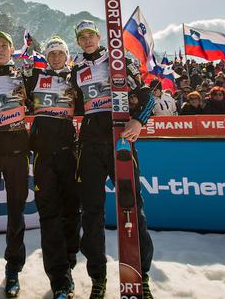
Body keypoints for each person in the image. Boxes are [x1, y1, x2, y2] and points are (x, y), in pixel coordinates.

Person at [70, 20, 155, 299]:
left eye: (90, 35)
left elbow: (147, 96)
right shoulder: (76, 70)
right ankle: (98, 278)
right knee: (91, 213)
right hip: (90, 145)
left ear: (98, 37)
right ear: (79, 42)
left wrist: (138, 121)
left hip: (119, 141)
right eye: (81, 37)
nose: (87, 40)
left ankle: (140, 278)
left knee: (132, 208)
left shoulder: (118, 60)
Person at [24, 36, 80, 299]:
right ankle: (59, 278)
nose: (56, 57)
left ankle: (68, 262)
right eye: (52, 53)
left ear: (67, 55)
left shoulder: (77, 77)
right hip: (44, 156)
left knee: (71, 212)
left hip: (70, 155)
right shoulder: (35, 77)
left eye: (60, 53)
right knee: (49, 216)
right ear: (46, 56)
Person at [0, 30, 30, 297]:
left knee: (16, 214)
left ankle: (13, 270)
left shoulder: (24, 75)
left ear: (12, 49)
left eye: (4, 45)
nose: (0, 49)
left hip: (17, 151)